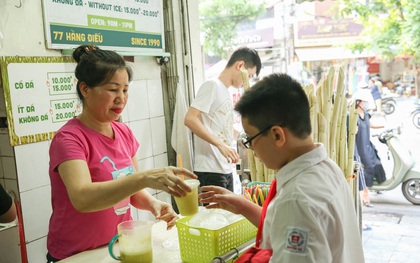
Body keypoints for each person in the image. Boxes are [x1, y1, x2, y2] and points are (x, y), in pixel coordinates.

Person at [46, 45, 196, 262]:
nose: (121, 98)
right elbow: (82, 198)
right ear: (85, 89)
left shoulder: (123, 132)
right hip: (75, 255)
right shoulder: (70, 139)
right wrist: (145, 177)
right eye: (113, 89)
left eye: (125, 90)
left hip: (116, 247)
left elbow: (132, 191)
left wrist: (154, 204)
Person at [199, 73, 365, 262]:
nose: (251, 149)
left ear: (277, 135)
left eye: (251, 139)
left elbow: (295, 216)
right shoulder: (327, 168)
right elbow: (284, 225)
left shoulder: (297, 199)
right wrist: (241, 205)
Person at [184, 47, 261, 191]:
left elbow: (220, 126)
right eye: (249, 76)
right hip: (210, 170)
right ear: (240, 66)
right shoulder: (211, 85)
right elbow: (190, 119)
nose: (247, 82)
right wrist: (221, 145)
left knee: (227, 214)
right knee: (215, 214)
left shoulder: (225, 91)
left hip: (224, 169)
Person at [353, 91, 386, 208]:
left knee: (377, 162)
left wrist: (384, 126)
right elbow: (353, 132)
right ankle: (365, 196)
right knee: (369, 166)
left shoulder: (366, 114)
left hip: (368, 145)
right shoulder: (353, 115)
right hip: (359, 146)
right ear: (358, 102)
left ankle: (377, 187)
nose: (366, 104)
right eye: (364, 102)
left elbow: (370, 124)